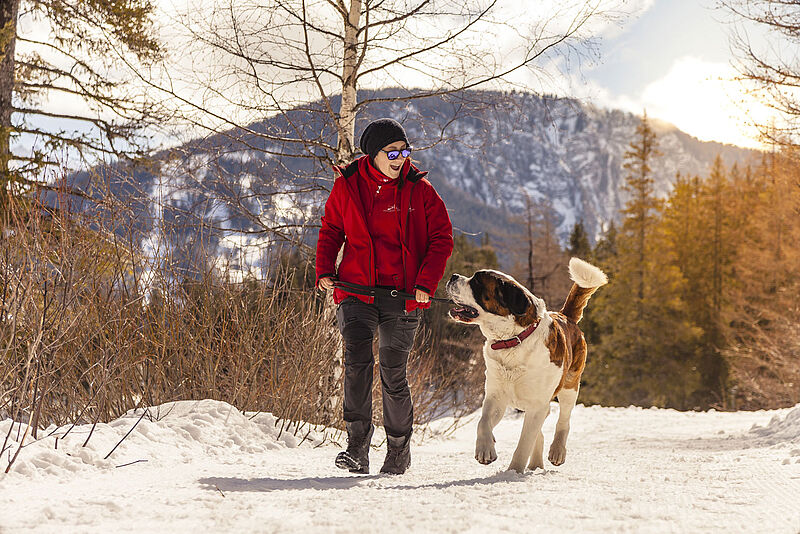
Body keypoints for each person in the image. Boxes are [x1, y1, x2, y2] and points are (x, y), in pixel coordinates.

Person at [316, 118, 454, 475]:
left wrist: (426, 282)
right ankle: (357, 446)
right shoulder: (347, 186)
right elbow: (331, 229)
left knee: (393, 373)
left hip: (403, 296)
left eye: (404, 151)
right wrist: (324, 269)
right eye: (392, 152)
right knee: (357, 364)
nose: (400, 158)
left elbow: (442, 238)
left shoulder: (420, 190)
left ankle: (397, 448)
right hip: (356, 291)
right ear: (372, 155)